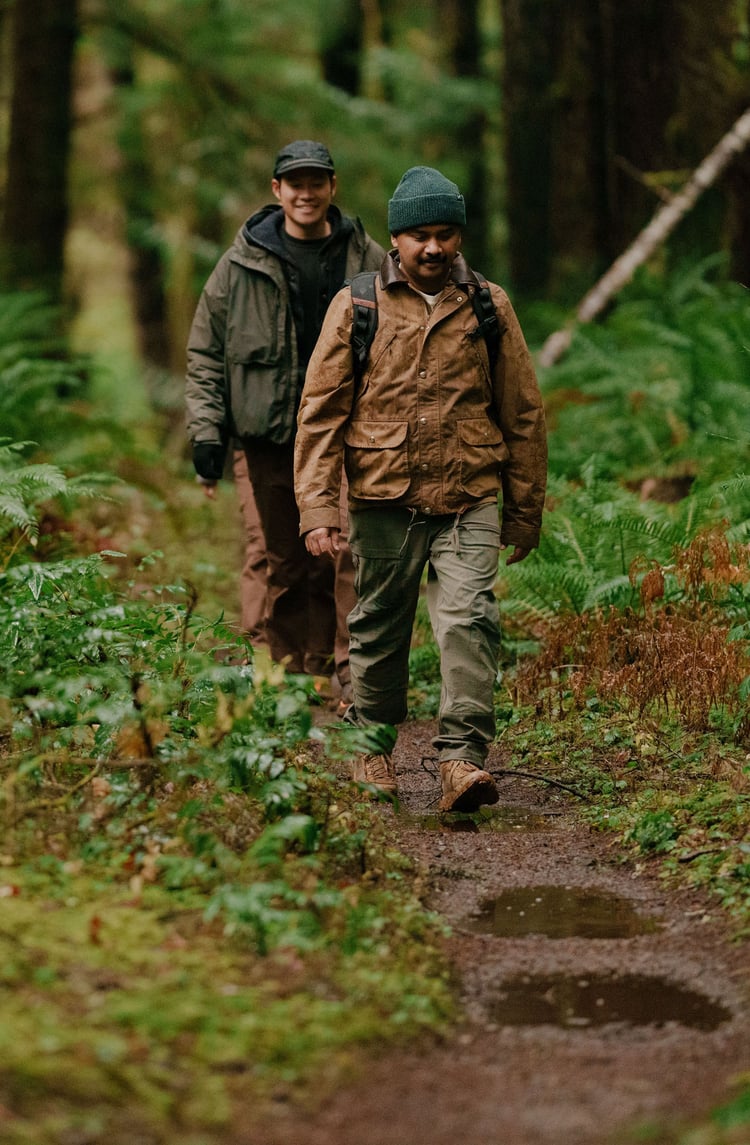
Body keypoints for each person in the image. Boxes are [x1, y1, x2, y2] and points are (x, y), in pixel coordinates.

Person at [294, 165, 547, 810]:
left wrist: (523, 511)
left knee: (469, 621)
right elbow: (321, 412)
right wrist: (319, 507)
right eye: (419, 236)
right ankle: (371, 749)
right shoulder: (358, 304)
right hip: (382, 497)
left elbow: (521, 412)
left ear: (459, 237)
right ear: (395, 239)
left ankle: (461, 762)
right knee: (378, 626)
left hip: (468, 494)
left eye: (445, 234)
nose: (433, 248)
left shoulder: (488, 304)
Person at [186, 140, 385, 697]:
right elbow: (206, 353)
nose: (305, 192)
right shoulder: (240, 262)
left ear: (331, 187)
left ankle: (351, 676)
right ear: (277, 191)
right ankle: (282, 673)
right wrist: (207, 435)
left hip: (348, 433)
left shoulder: (364, 258)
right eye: (294, 182)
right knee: (280, 558)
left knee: (343, 550)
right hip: (266, 436)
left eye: (315, 181)